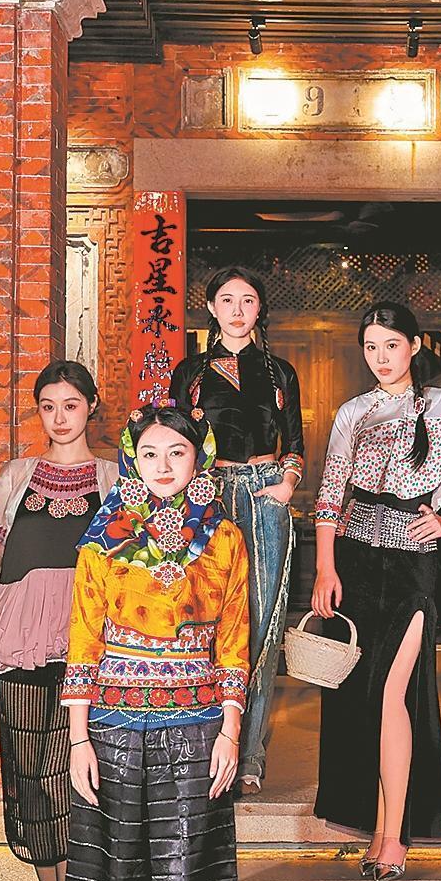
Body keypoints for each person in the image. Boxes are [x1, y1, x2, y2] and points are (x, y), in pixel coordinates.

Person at [53, 404, 249, 881]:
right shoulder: (103, 536)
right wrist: (78, 738)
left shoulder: (224, 537)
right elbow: (82, 638)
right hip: (111, 729)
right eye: (151, 454)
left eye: (178, 453)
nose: (164, 466)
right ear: (133, 460)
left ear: (201, 459)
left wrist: (231, 730)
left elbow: (236, 638)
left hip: (195, 729)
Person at [311, 302, 441, 881]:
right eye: (371, 347)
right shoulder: (352, 412)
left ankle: (394, 836)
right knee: (362, 699)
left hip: (416, 564)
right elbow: (330, 494)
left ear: (415, 346)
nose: (381, 357)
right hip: (355, 562)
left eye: (391, 345)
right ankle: (375, 827)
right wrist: (324, 569)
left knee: (394, 693)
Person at [0, 361, 115, 881]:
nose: (59, 418)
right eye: (48, 406)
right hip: (19, 642)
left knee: (81, 782)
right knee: (32, 781)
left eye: (71, 405)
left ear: (91, 407)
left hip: (89, 645)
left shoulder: (115, 476)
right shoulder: (14, 477)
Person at [169, 267, 304, 794]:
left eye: (248, 300)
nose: (238, 310)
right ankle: (205, 743)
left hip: (265, 494)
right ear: (211, 307)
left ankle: (250, 754)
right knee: (206, 619)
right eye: (227, 300)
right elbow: (176, 439)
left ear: (260, 309)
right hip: (208, 494)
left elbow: (294, 441)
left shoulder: (280, 372)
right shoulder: (190, 373)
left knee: (262, 623)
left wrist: (288, 483)